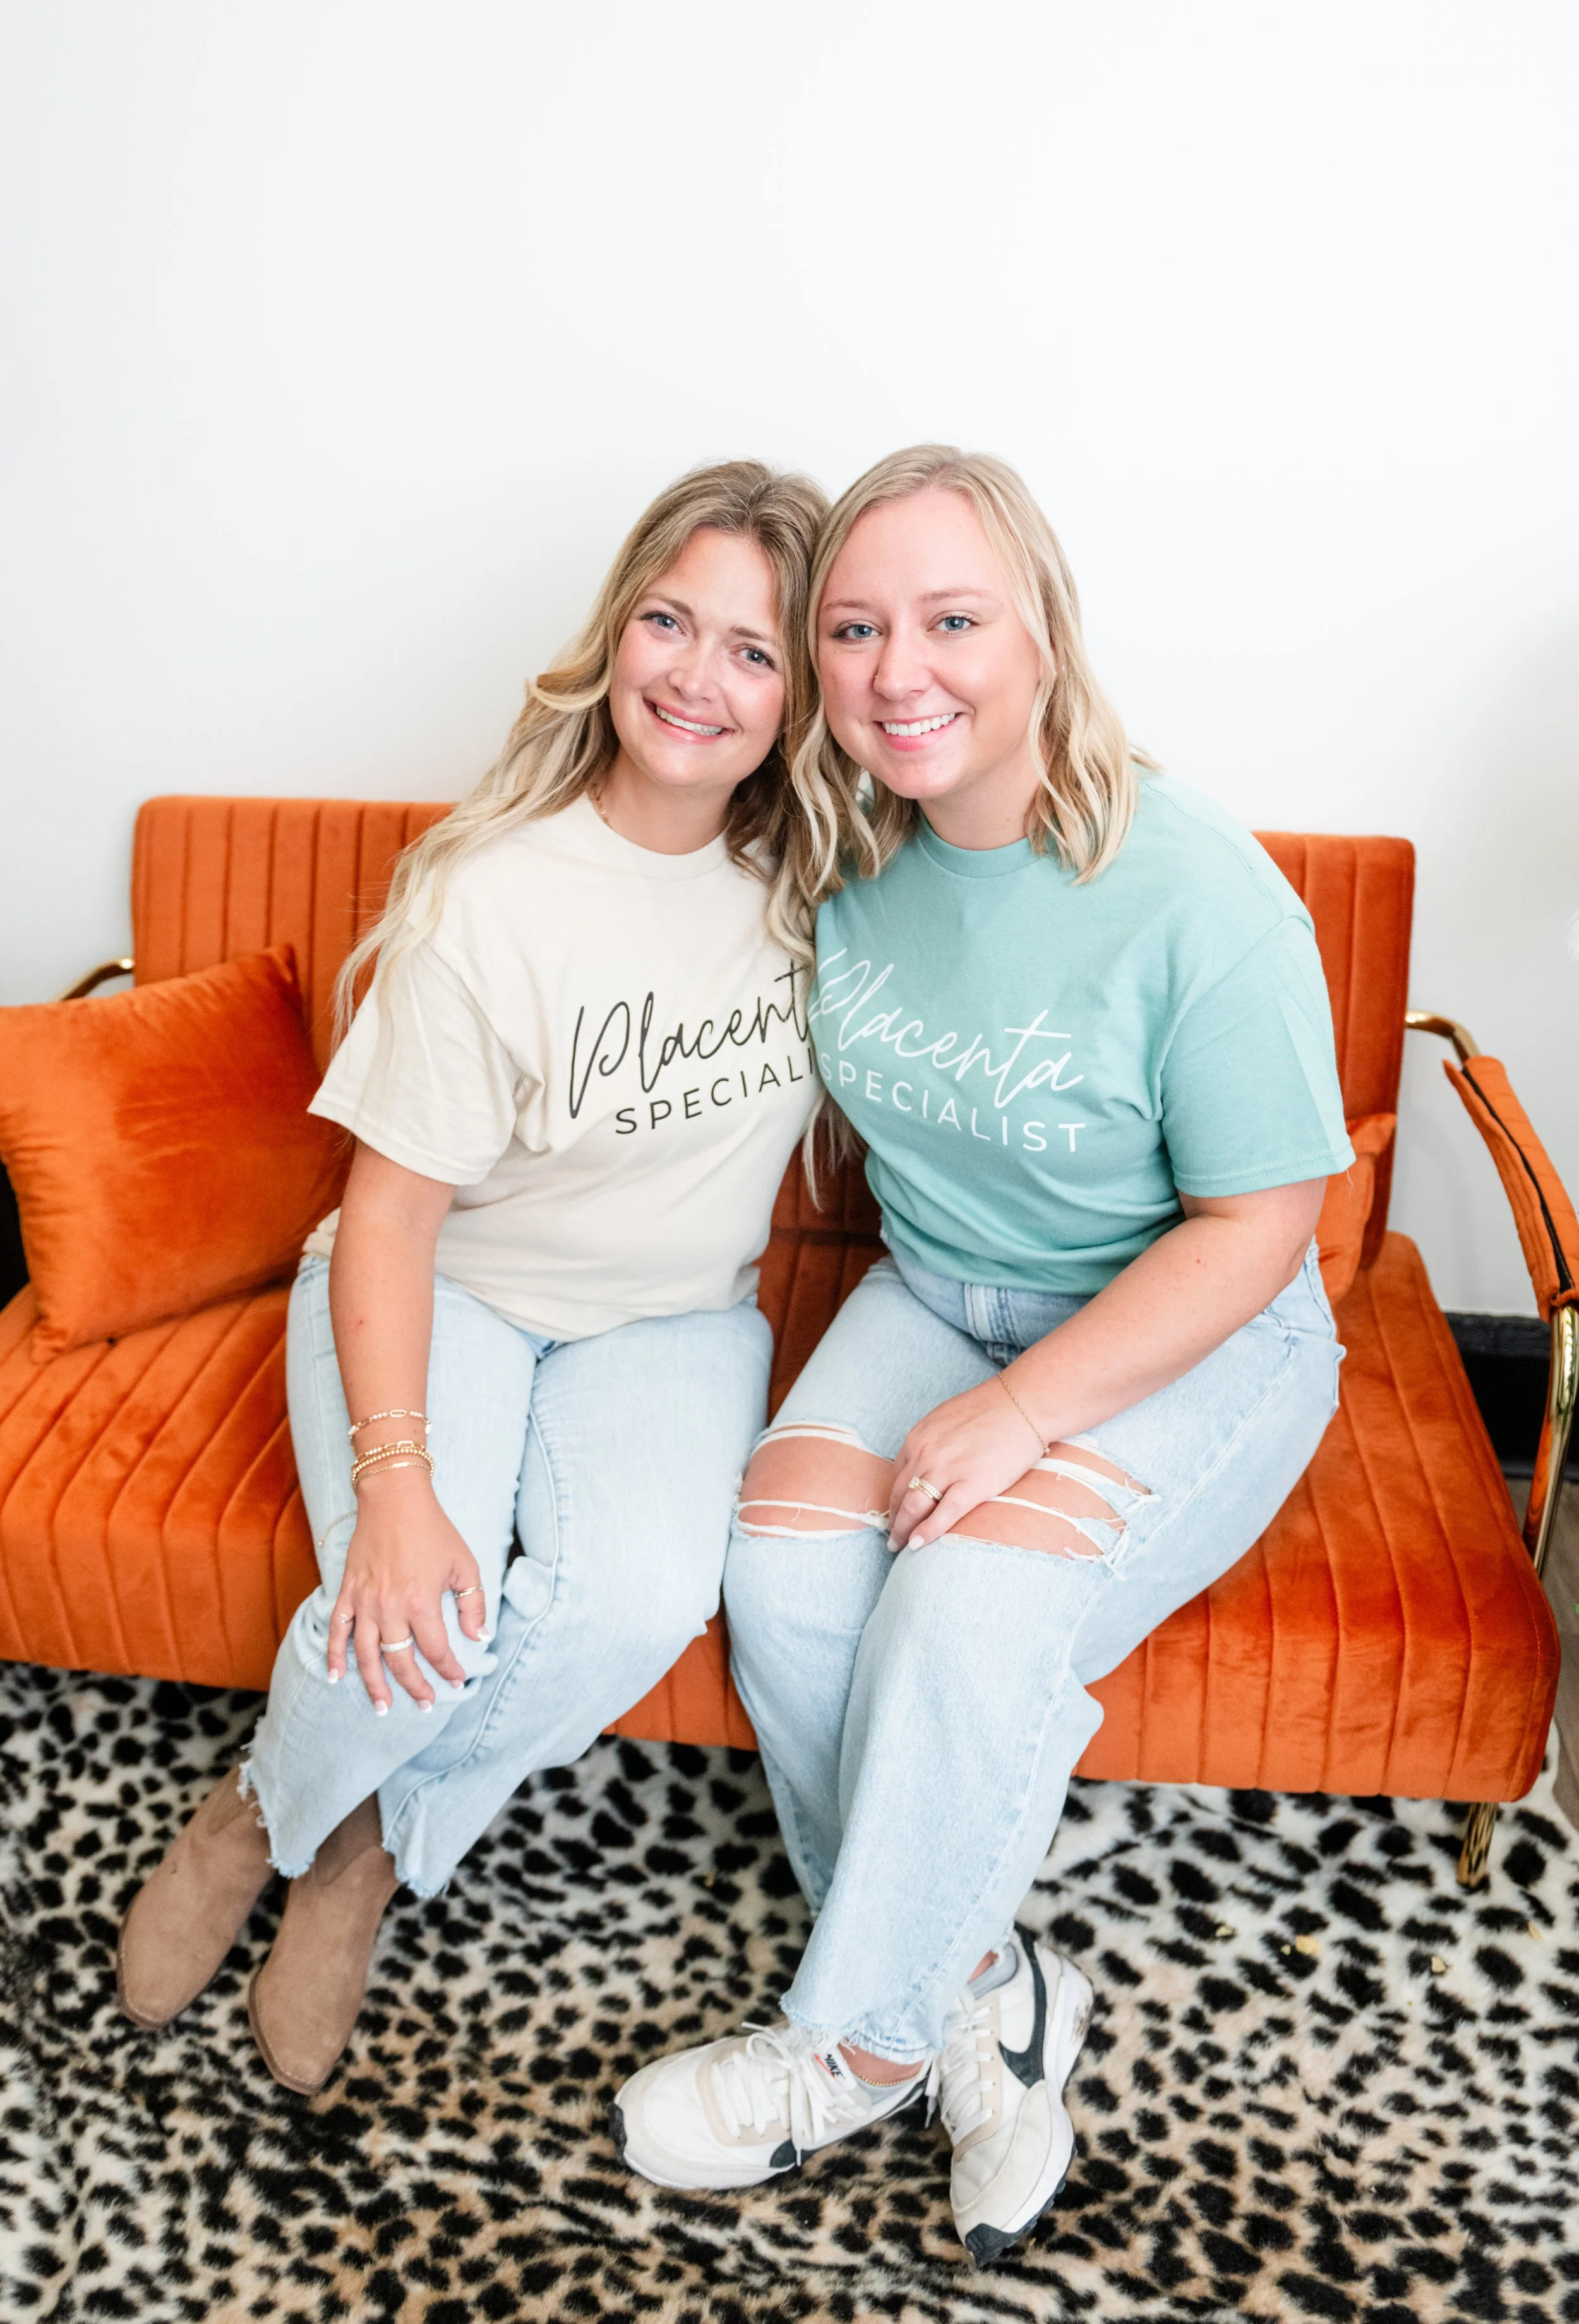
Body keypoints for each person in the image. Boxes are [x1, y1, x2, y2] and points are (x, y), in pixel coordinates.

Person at [615, 447, 1350, 2266]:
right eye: (852, 630)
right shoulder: (846, 855)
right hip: (942, 1285)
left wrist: (1021, 1413)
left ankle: (845, 2045)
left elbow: (1260, 1225)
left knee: (963, 1609)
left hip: (1191, 1316)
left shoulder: (1198, 892)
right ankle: (979, 1984)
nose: (894, 671)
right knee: (784, 1566)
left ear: (1039, 637)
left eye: (949, 620)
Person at [117, 459, 827, 2093]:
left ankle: (361, 1836)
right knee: (421, 1602)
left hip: (669, 1318)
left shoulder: (821, 888)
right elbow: (389, 1214)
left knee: (635, 1598)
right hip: (455, 1282)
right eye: (669, 620)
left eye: (753, 649)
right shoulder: (490, 894)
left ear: (801, 698)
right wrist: (401, 1481)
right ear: (614, 630)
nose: (695, 676)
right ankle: (262, 1813)